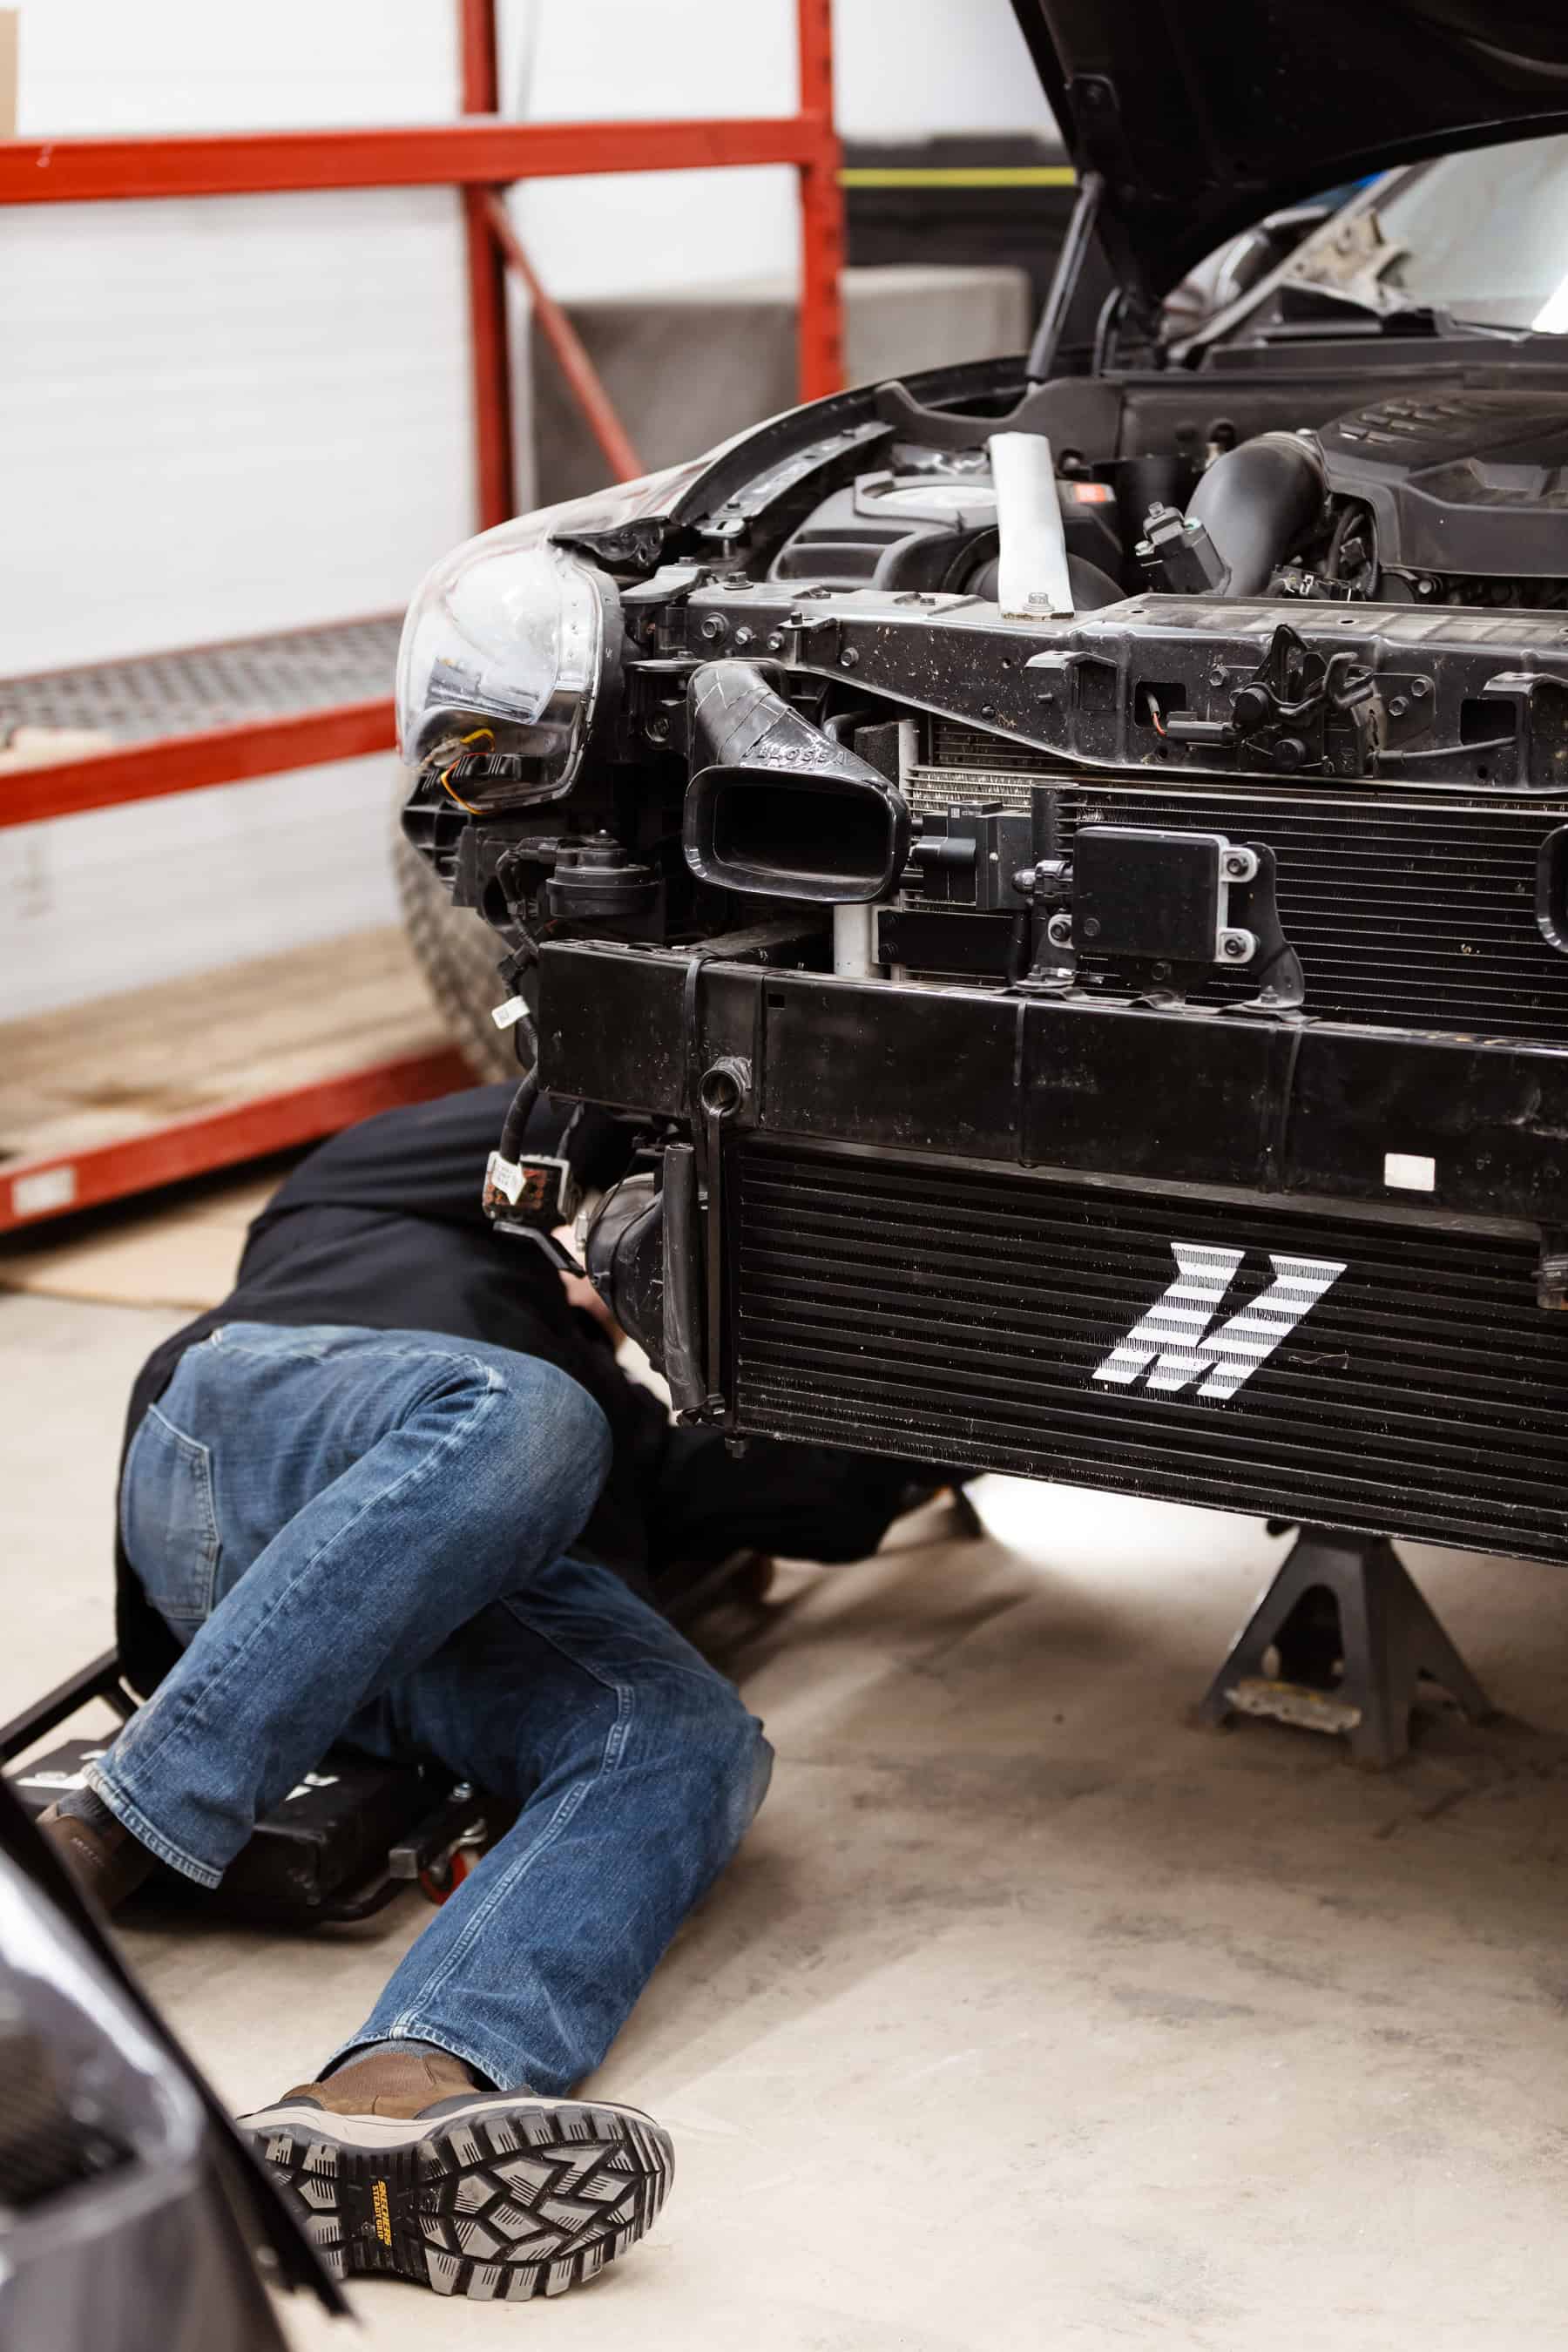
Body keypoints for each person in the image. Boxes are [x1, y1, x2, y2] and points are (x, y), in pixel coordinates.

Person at [40, 1085, 928, 2304]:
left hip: (433, 1632)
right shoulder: (374, 1205)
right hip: (254, 1453)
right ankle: (90, 1850)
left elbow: (829, 1496)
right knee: (529, 1415)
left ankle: (397, 2087)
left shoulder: (622, 1414)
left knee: (685, 1732)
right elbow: (599, 1091)